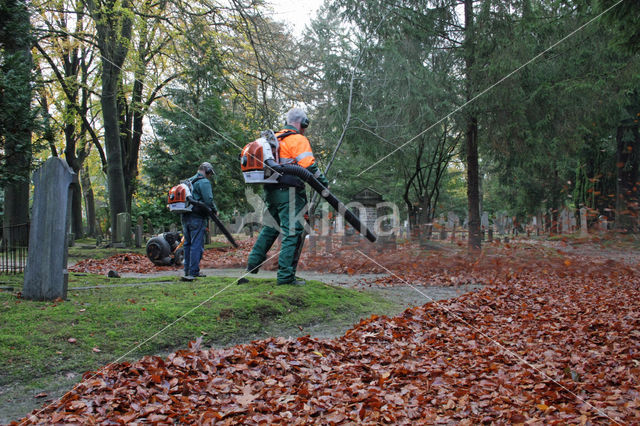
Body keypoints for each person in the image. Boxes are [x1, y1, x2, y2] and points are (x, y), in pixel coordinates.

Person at [243, 107, 329, 285]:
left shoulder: (274, 139)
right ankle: (285, 277)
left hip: (271, 191)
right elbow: (309, 166)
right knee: (293, 231)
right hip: (290, 192)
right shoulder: (297, 139)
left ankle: (252, 264)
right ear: (302, 123)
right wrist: (323, 183)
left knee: (270, 227)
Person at [181, 162, 217, 282]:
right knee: (196, 244)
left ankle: (187, 270)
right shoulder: (204, 182)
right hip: (197, 217)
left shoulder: (188, 181)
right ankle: (194, 271)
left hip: (185, 216)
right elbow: (208, 199)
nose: (210, 176)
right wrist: (214, 210)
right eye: (210, 173)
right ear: (207, 171)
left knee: (187, 244)